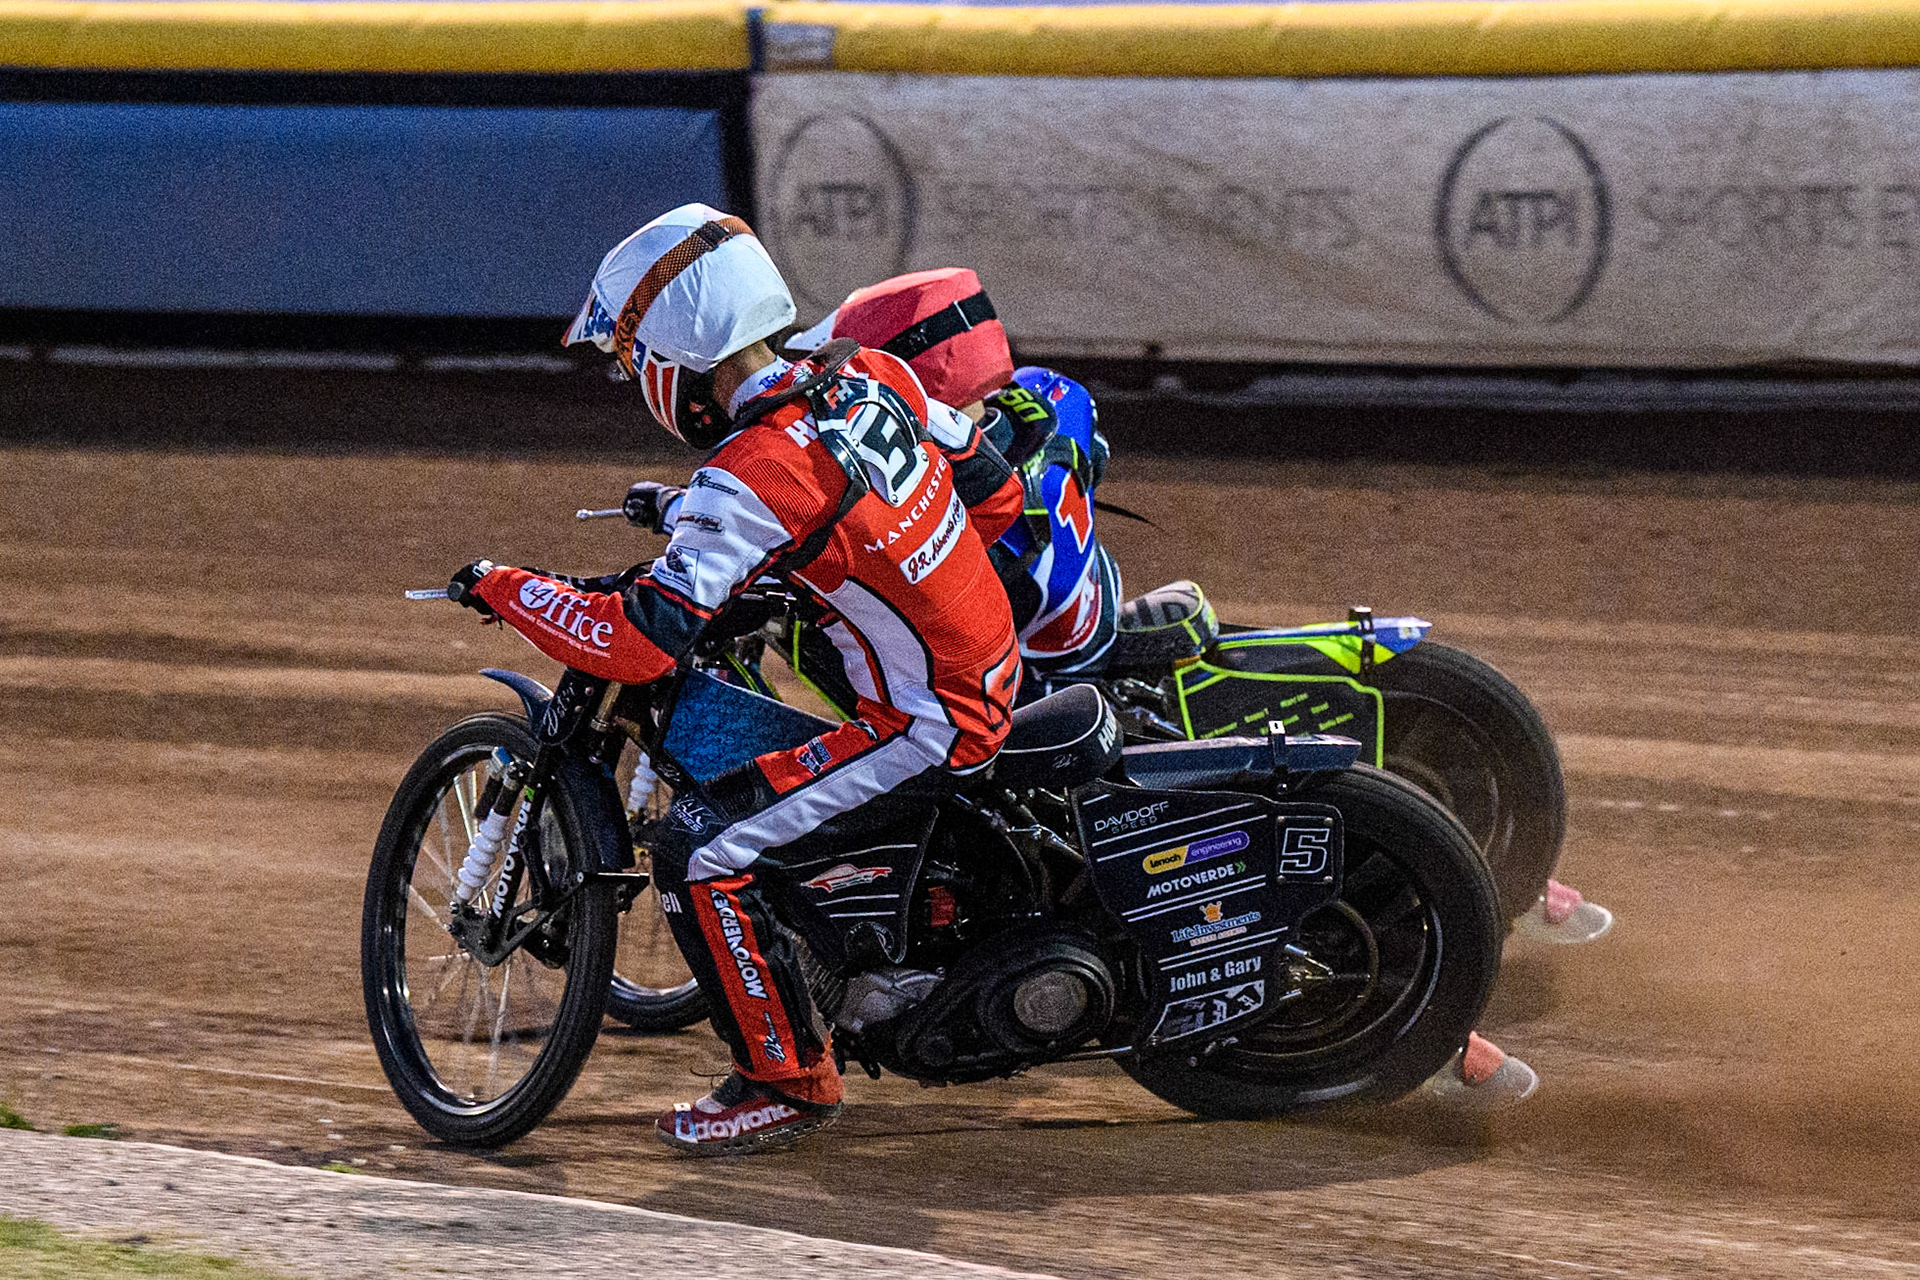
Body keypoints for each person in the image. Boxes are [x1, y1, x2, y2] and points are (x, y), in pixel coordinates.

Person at [445, 206, 1025, 1155]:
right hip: (987, 667)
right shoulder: (867, 373)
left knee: (701, 848)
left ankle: (785, 1082)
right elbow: (993, 492)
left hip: (928, 722)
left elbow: (637, 643)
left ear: (679, 360)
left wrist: (505, 588)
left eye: (638, 364)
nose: (640, 386)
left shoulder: (753, 470)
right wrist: (881, 577)